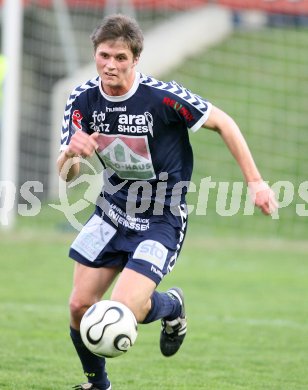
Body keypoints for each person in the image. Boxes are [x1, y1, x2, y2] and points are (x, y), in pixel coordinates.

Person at [57, 14, 278, 390]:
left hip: (162, 217)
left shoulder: (162, 97)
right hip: (111, 211)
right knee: (79, 306)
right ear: (95, 53)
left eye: (120, 57)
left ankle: (172, 306)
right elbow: (68, 176)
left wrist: (256, 183)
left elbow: (224, 122)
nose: (111, 64)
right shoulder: (81, 101)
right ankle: (98, 384)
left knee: (128, 308)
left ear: (135, 59)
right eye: (104, 55)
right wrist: (72, 156)